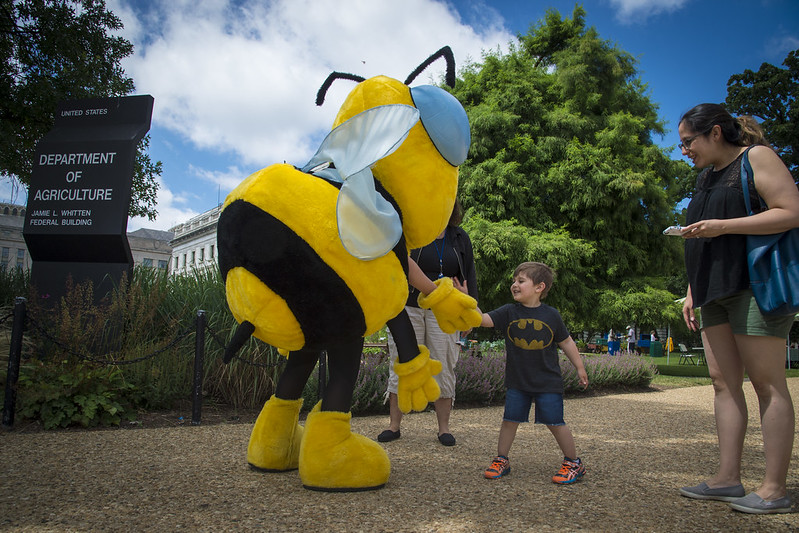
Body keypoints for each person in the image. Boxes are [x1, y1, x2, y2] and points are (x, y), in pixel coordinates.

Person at [676, 103, 799, 514]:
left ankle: (774, 488)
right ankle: (728, 478)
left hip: (753, 286)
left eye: (687, 142)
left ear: (714, 133)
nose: (684, 151)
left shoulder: (756, 158)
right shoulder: (704, 179)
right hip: (711, 290)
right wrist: (692, 290)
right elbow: (700, 239)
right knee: (722, 384)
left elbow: (791, 211)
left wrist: (724, 226)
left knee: (767, 385)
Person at [476, 261, 589, 483]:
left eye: (521, 281)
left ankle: (573, 463)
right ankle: (502, 459)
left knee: (555, 422)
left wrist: (579, 366)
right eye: (514, 281)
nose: (514, 285)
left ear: (539, 287)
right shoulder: (508, 311)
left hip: (547, 382)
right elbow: (482, 319)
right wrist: (467, 301)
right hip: (518, 381)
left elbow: (566, 341)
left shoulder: (552, 315)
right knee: (510, 420)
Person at [377, 200, 478, 446]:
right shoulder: (413, 234)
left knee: (444, 364)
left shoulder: (460, 237)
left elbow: (469, 274)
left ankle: (443, 429)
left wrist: (470, 309)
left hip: (446, 310)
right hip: (409, 306)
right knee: (403, 363)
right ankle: (394, 426)